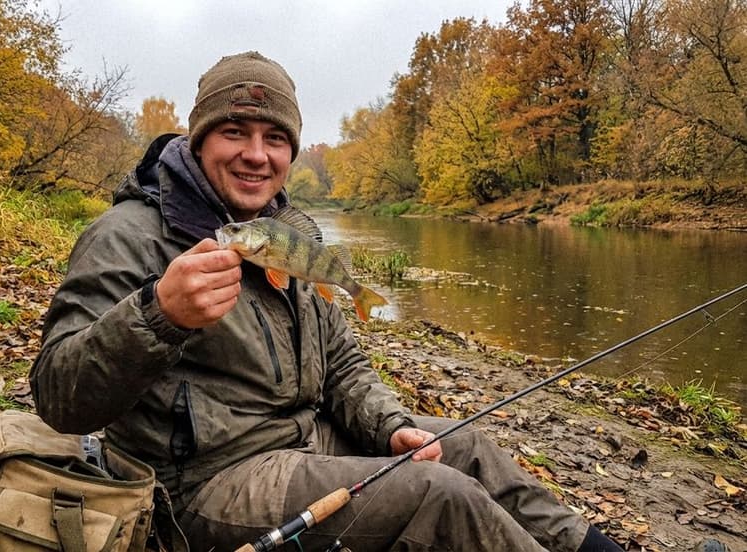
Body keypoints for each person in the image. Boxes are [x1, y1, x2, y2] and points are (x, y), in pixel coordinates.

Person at [30, 51, 624, 552]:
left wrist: (391, 427)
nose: (256, 155)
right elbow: (60, 398)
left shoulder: (290, 232)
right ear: (198, 137)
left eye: (275, 139)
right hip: (202, 482)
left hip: (302, 439)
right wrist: (159, 315)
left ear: (291, 150)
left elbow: (340, 363)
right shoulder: (127, 236)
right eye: (234, 132)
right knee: (438, 494)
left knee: (466, 446)